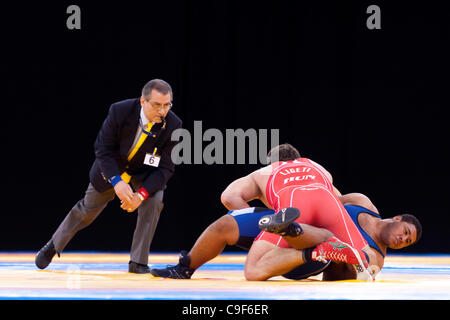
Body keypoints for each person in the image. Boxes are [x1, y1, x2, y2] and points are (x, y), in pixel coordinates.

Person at [150, 144, 421, 280]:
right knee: (357, 259)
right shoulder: (319, 170)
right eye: (406, 233)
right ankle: (307, 240)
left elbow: (228, 197)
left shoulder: (264, 172)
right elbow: (336, 200)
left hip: (297, 223)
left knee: (229, 230)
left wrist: (262, 223)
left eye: (406, 240)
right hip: (328, 227)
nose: (402, 239)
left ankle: (184, 269)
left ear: (274, 161)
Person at [35, 79, 182, 274]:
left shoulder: (174, 124)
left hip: (143, 173)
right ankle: (54, 245)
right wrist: (117, 181)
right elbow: (103, 149)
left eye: (167, 105)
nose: (162, 111)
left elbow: (165, 168)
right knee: (87, 209)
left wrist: (141, 194)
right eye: (157, 105)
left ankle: (138, 262)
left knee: (154, 202)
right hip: (113, 169)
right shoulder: (120, 111)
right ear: (143, 101)